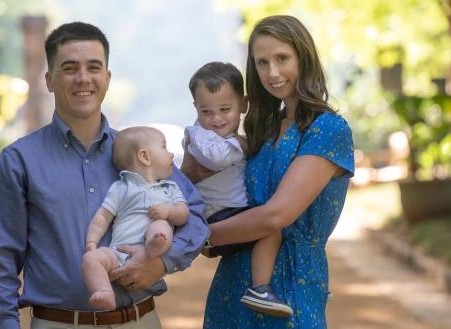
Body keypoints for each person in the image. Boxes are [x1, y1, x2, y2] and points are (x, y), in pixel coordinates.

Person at [0, 22, 209, 329]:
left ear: (107, 77)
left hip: (140, 321)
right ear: (50, 79)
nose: (83, 78)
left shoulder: (140, 150)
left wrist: (161, 263)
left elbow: (194, 214)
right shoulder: (19, 161)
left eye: (94, 67)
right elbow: (0, 258)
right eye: (70, 68)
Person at [182, 15, 354, 328]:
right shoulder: (263, 130)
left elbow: (276, 216)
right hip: (231, 286)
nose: (272, 72)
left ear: (303, 58)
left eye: (282, 58)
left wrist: (196, 238)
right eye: (262, 62)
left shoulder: (327, 129)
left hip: (290, 285)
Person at [184, 61, 292, 316]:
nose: (216, 118)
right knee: (271, 228)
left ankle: (286, 284)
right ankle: (260, 288)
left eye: (225, 109)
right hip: (217, 214)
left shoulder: (223, 135)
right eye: (206, 111)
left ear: (243, 105)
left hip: (229, 210)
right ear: (196, 109)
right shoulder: (199, 134)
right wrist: (242, 145)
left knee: (278, 230)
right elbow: (215, 159)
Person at [82, 126, 190, 311]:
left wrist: (169, 212)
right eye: (164, 147)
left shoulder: (169, 188)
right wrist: (92, 242)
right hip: (117, 253)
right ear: (145, 157)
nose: (171, 154)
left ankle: (154, 246)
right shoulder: (120, 187)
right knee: (90, 260)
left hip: (149, 254)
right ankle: (105, 292)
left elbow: (184, 213)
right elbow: (102, 217)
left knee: (161, 225)